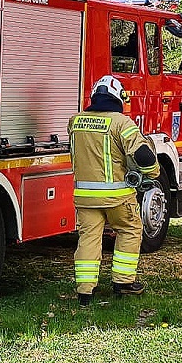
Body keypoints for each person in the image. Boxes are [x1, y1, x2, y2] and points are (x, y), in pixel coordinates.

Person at [68, 75, 160, 305]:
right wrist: (153, 173)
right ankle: (123, 283)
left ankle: (85, 291)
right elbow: (143, 155)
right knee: (129, 230)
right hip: (117, 196)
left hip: (85, 197)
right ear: (118, 96)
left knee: (88, 238)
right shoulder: (121, 123)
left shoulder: (75, 122)